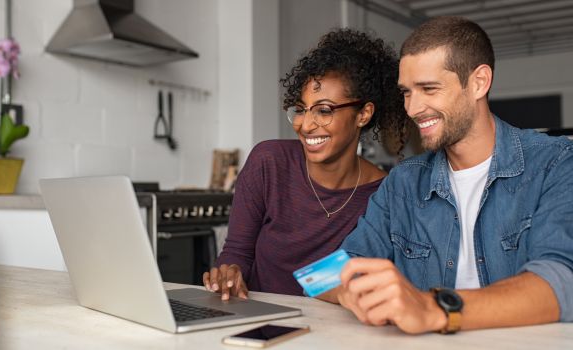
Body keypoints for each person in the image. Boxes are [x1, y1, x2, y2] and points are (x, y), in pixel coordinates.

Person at [322, 16, 573, 334]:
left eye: (429, 88)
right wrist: (353, 290)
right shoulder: (403, 182)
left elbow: (561, 282)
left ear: (479, 82)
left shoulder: (556, 162)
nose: (413, 108)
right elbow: (322, 276)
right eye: (407, 92)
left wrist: (432, 307)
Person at [203, 29, 408, 299]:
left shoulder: (383, 194)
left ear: (363, 114)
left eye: (324, 110)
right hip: (255, 328)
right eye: (300, 109)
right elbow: (236, 253)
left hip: (327, 336)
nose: (306, 125)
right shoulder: (269, 162)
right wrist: (228, 275)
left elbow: (348, 279)